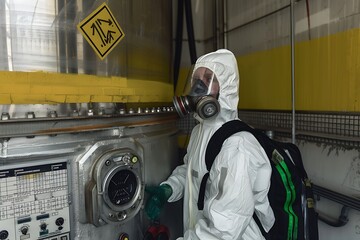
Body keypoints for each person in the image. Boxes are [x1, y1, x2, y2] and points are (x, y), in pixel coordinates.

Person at [145, 49, 275, 240]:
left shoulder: (238, 146)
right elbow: (192, 169)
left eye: (208, 78)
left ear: (226, 87)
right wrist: (169, 188)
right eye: (196, 79)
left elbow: (224, 229)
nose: (199, 86)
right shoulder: (200, 131)